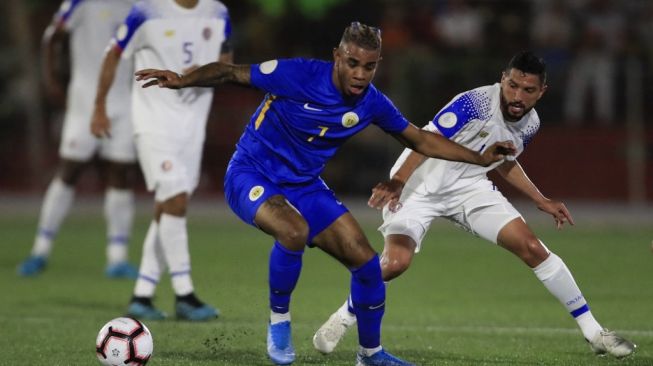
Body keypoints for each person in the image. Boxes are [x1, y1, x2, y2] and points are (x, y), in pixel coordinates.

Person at [134, 22, 514, 366]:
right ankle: (279, 324)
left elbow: (419, 139)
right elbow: (230, 72)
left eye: (370, 66)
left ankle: (370, 355)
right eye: (353, 63)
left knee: (367, 266)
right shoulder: (296, 74)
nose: (360, 74)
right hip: (252, 173)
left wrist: (478, 157)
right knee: (293, 231)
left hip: (304, 185)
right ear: (337, 56)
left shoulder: (372, 102)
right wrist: (183, 80)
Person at [312, 51, 636, 359]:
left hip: (470, 187)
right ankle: (342, 317)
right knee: (395, 263)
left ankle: (594, 333)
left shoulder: (531, 122)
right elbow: (422, 142)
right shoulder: (475, 102)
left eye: (528, 90)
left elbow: (505, 161)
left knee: (533, 247)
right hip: (418, 185)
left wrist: (541, 199)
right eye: (512, 85)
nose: (517, 96)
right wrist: (398, 181)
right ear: (503, 79)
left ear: (541, 92)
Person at [91, 0, 232, 321]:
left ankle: (142, 293)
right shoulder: (146, 11)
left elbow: (226, 61)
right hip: (153, 123)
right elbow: (113, 53)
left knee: (168, 207)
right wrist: (99, 105)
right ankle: (185, 293)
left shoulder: (218, 11)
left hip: (193, 125)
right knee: (175, 199)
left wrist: (201, 72)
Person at [18, 0, 139, 279]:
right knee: (70, 170)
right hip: (85, 99)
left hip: (123, 100)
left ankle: (117, 258)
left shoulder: (139, 5)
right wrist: (51, 79)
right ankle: (40, 250)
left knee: (121, 174)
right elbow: (53, 36)